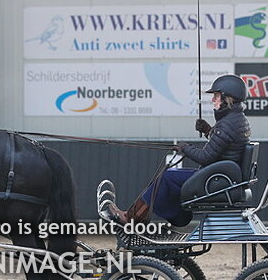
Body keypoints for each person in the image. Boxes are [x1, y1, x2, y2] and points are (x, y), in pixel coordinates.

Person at [107, 73, 252, 227]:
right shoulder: (236, 120)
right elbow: (225, 146)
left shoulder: (227, 124)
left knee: (165, 178)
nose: (213, 100)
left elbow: (205, 157)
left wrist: (185, 148)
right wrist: (208, 130)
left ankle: (131, 218)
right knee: (169, 177)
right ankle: (168, 216)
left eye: (216, 96)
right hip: (220, 177)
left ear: (227, 98)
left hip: (216, 180)